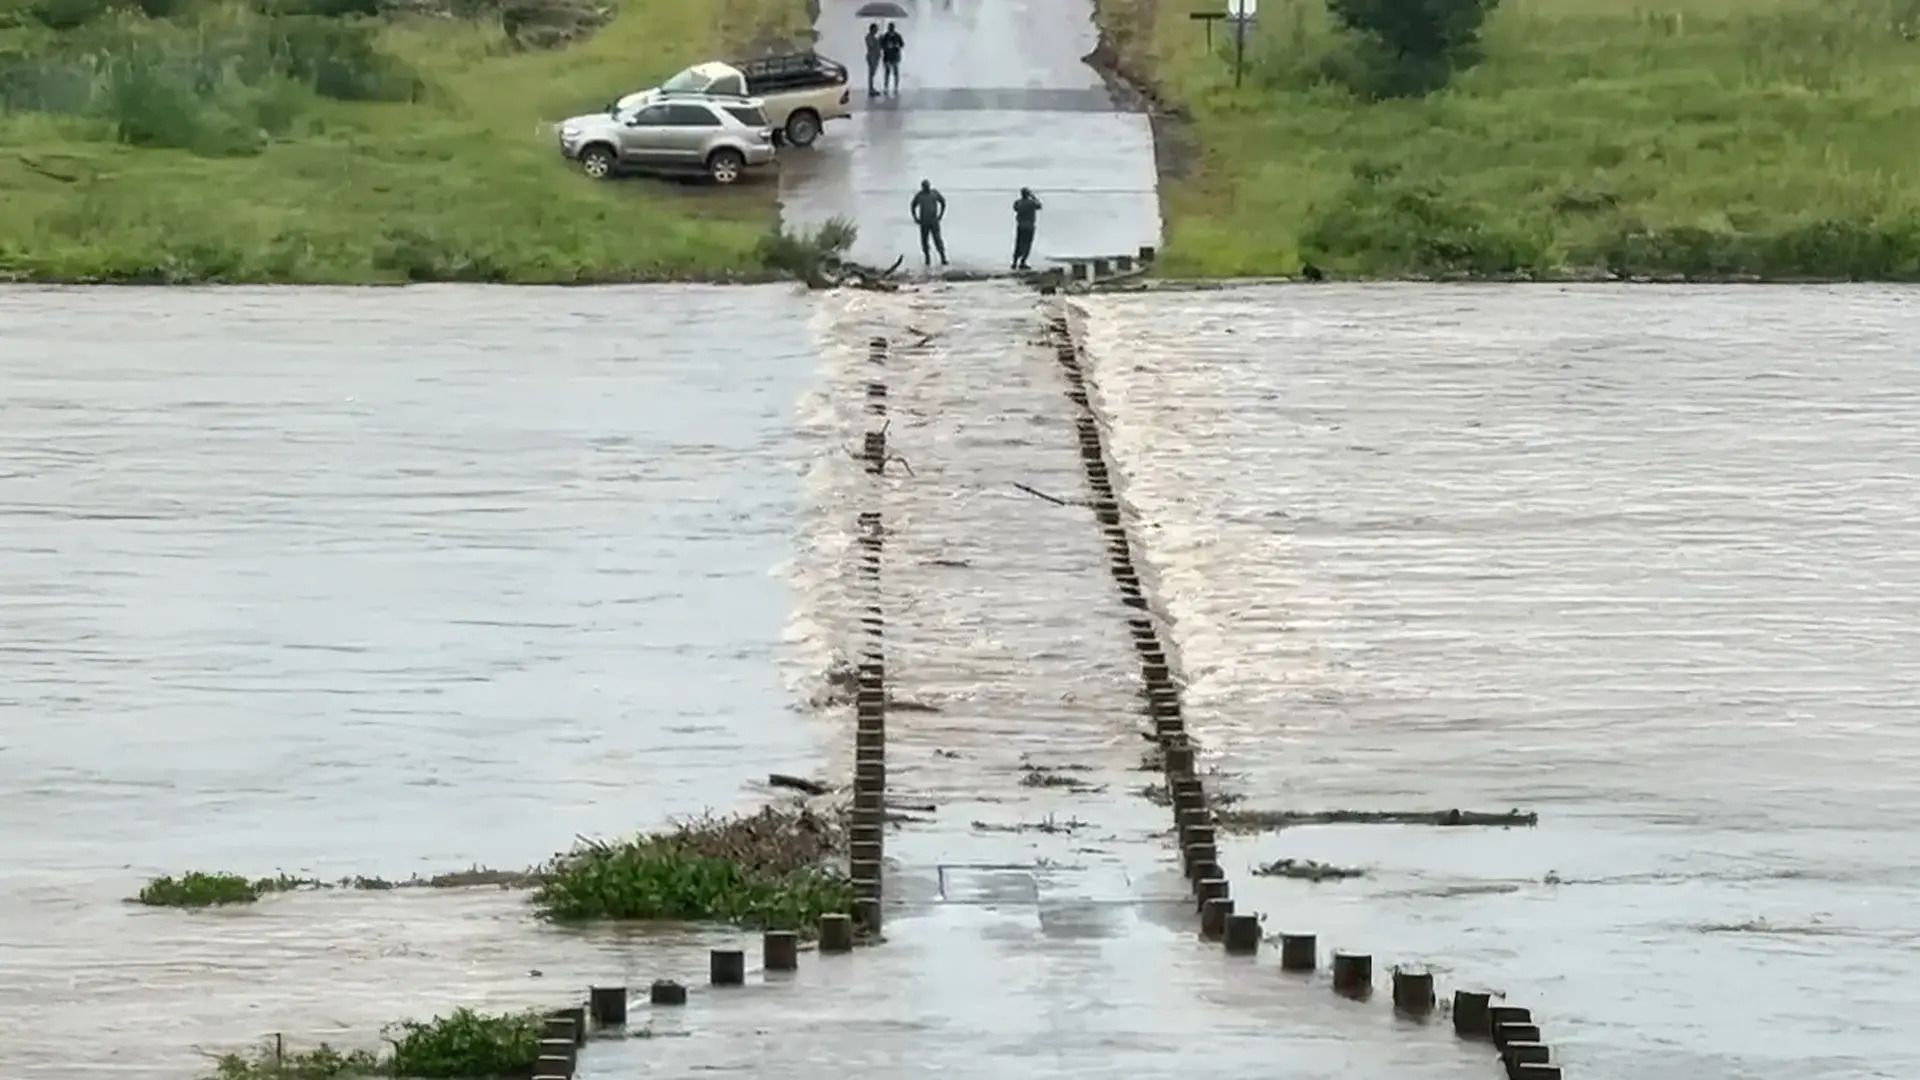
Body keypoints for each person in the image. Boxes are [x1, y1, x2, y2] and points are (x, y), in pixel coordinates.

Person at [910, 179, 947, 266]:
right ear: (922, 187)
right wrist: (915, 218)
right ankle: (927, 259)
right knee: (924, 241)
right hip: (924, 222)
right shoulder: (919, 195)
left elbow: (943, 203)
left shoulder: (934, 193)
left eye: (927, 186)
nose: (926, 188)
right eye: (924, 186)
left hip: (934, 221)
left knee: (937, 240)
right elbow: (912, 206)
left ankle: (943, 258)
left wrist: (941, 215)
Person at [1011, 187, 1043, 270]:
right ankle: (1023, 261)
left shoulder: (1018, 202)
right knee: (1027, 244)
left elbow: (1015, 208)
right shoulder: (1032, 203)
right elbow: (1039, 206)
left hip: (1020, 226)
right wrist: (1033, 197)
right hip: (1029, 226)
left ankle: (1014, 262)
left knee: (1018, 244)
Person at [880, 22, 904, 95]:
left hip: (895, 56)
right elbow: (881, 46)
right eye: (890, 27)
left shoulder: (897, 36)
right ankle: (886, 86)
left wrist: (897, 46)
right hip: (887, 56)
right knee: (887, 72)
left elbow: (902, 44)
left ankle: (896, 86)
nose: (891, 29)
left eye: (892, 27)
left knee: (895, 72)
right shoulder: (885, 36)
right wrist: (886, 46)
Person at [863, 23, 882, 97]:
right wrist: (877, 41)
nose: (876, 30)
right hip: (872, 57)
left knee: (873, 73)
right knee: (871, 73)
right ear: (872, 29)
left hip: (876, 56)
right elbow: (871, 46)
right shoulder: (868, 37)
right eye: (875, 29)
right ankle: (871, 89)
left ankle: (872, 88)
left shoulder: (873, 37)